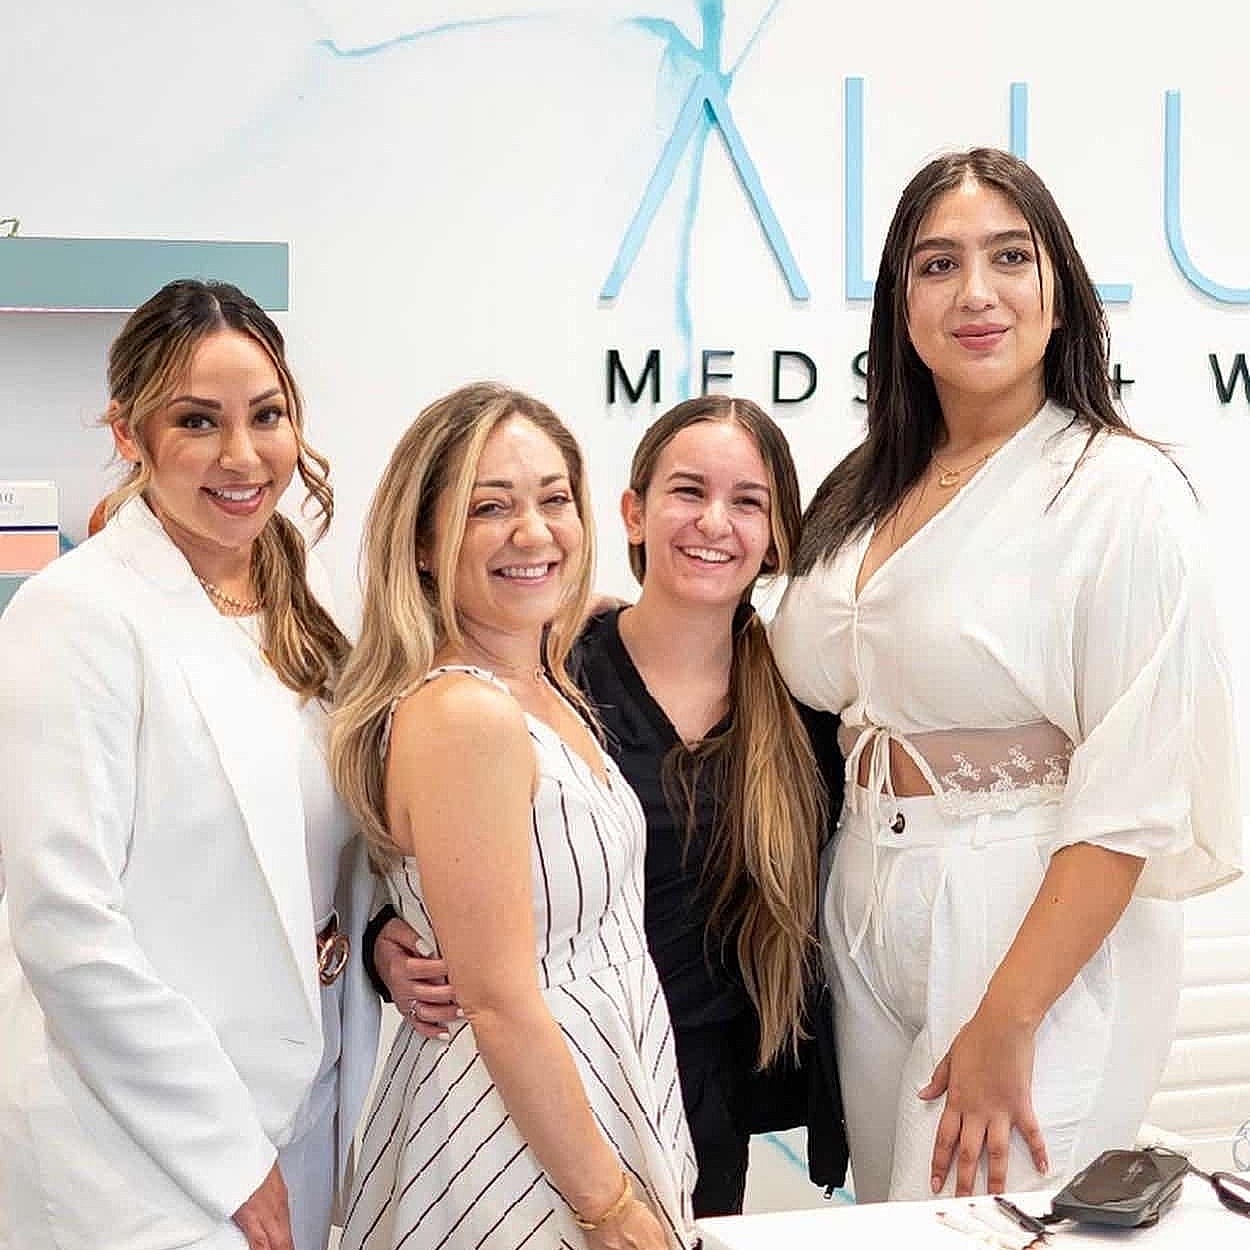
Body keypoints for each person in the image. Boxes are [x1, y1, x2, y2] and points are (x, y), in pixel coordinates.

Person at [769, 147, 1243, 1204]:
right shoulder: (863, 488)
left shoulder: (1119, 492)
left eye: (1009, 257)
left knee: (982, 1223)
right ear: (900, 307)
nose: (975, 292)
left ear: (1059, 292)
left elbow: (1135, 790)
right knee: (894, 1220)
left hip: (1023, 912)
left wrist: (1008, 1014)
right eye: (937, 264)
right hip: (867, 896)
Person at [367, 395, 849, 1217]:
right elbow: (407, 831)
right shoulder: (552, 672)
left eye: (748, 502)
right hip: (540, 1085)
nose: (713, 523)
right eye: (688, 491)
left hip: (701, 1099)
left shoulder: (808, 702)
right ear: (632, 512)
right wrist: (384, 934)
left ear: (778, 537)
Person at [0, 279, 380, 1250]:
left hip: (294, 1105)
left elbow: (324, 848)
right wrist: (228, 1155)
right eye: (198, 421)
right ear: (128, 433)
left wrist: (382, 943)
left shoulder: (308, 592)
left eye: (267, 415)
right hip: (133, 1146)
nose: (242, 455)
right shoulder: (75, 615)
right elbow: (64, 923)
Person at [329, 382, 697, 1250]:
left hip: (585, 1097)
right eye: (489, 508)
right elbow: (496, 1001)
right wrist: (606, 1206)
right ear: (424, 545)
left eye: (553, 500)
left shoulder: (543, 683)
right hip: (509, 1139)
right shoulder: (466, 714)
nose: (533, 533)